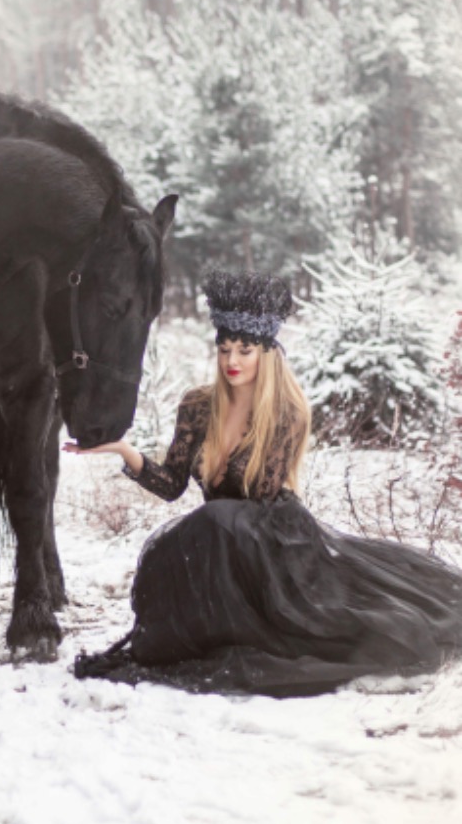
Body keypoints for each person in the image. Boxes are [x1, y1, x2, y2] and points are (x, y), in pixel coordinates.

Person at [63, 270, 462, 697]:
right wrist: (123, 450)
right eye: (224, 349)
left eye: (245, 350)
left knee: (353, 623)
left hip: (274, 537)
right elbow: (171, 485)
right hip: (221, 535)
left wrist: (213, 522)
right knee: (186, 541)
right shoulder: (197, 405)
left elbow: (260, 497)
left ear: (267, 353)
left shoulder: (286, 411)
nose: (231, 361)